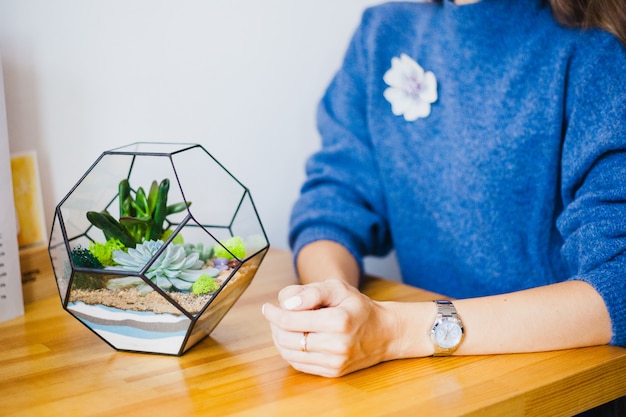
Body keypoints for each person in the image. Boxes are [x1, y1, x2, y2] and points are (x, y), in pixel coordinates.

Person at [261, 0, 626, 381]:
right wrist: (329, 301)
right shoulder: (382, 33)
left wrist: (394, 331)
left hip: (552, 385)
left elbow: (617, 282)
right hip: (428, 382)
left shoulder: (597, 51)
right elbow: (335, 201)